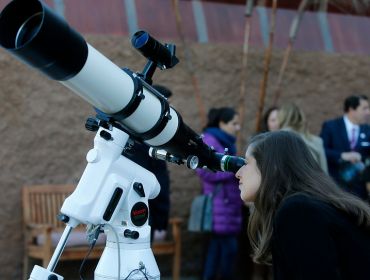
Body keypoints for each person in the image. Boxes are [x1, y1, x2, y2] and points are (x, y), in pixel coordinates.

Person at [236, 130, 370, 280]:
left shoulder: (297, 211)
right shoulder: (305, 204)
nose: (238, 173)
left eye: (246, 163)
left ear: (272, 167)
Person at [196, 107, 243, 280]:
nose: (237, 128)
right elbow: (203, 170)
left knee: (216, 250)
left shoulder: (223, 141)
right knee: (229, 249)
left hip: (227, 203)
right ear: (222, 123)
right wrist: (235, 169)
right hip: (220, 203)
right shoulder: (210, 140)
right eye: (234, 123)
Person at [129, 85, 171, 242]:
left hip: (143, 212)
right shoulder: (144, 138)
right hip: (140, 213)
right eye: (168, 104)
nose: (171, 109)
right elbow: (152, 180)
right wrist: (160, 216)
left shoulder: (141, 132)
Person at [320, 94, 370, 200]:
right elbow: (321, 150)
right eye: (364, 108)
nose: (368, 112)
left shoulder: (367, 129)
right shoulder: (331, 126)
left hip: (359, 194)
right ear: (352, 109)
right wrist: (342, 155)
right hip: (335, 188)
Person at [278, 103, 328, 173]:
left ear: (281, 117)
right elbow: (324, 172)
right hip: (314, 182)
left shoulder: (276, 139)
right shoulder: (317, 141)